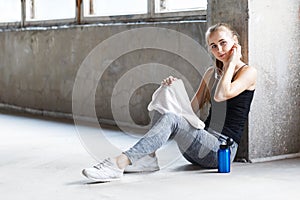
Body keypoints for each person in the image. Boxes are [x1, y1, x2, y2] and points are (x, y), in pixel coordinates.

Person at [82, 23, 257, 182]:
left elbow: (222, 94)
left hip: (220, 151)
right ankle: (148, 158)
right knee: (166, 104)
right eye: (213, 46)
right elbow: (190, 110)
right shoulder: (211, 73)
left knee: (173, 119)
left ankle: (118, 163)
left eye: (223, 42)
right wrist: (173, 89)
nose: (219, 49)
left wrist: (232, 63)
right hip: (197, 146)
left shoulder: (248, 72)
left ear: (235, 41)